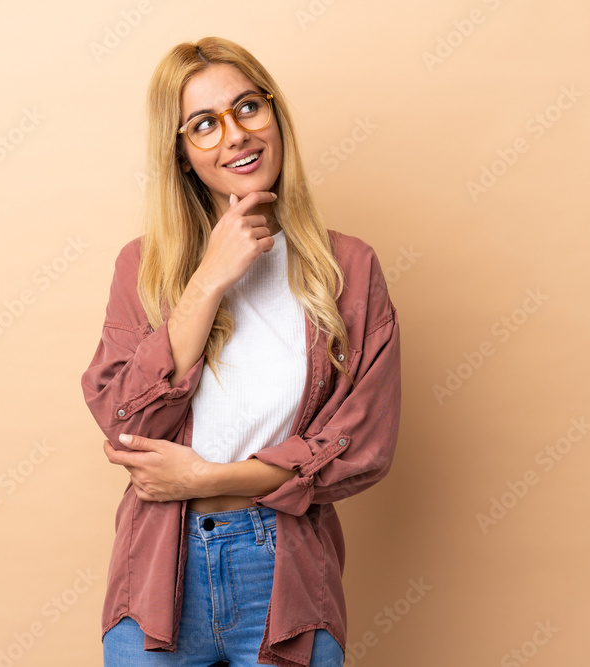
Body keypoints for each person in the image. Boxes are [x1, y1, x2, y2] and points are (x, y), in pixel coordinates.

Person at [81, 36, 402, 667]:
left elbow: (360, 448)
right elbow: (127, 424)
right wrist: (207, 281)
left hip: (286, 572)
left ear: (275, 114)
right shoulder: (142, 268)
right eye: (204, 124)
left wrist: (210, 477)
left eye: (248, 108)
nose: (235, 135)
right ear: (180, 153)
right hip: (158, 575)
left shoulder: (348, 269)